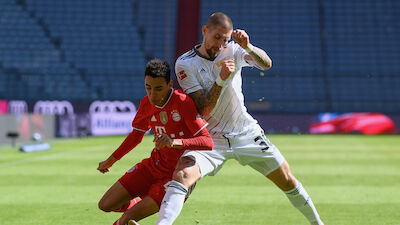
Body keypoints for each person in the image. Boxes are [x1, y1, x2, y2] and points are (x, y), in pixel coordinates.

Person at [157, 12, 324, 225]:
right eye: (217, 37)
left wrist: (248, 46)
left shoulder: (233, 50)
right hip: (211, 138)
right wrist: (221, 79)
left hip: (245, 132)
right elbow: (204, 109)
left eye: (225, 39)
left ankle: (318, 223)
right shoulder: (185, 63)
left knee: (287, 180)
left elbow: (266, 64)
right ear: (204, 31)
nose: (221, 44)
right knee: (182, 173)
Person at [97, 59, 213, 225]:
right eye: (148, 88)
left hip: (175, 176)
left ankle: (129, 216)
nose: (152, 95)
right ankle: (136, 206)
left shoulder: (182, 102)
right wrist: (111, 160)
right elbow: (136, 136)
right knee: (105, 205)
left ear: (169, 84)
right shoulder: (146, 104)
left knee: (126, 220)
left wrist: (174, 142)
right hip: (153, 166)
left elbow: (207, 142)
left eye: (158, 89)